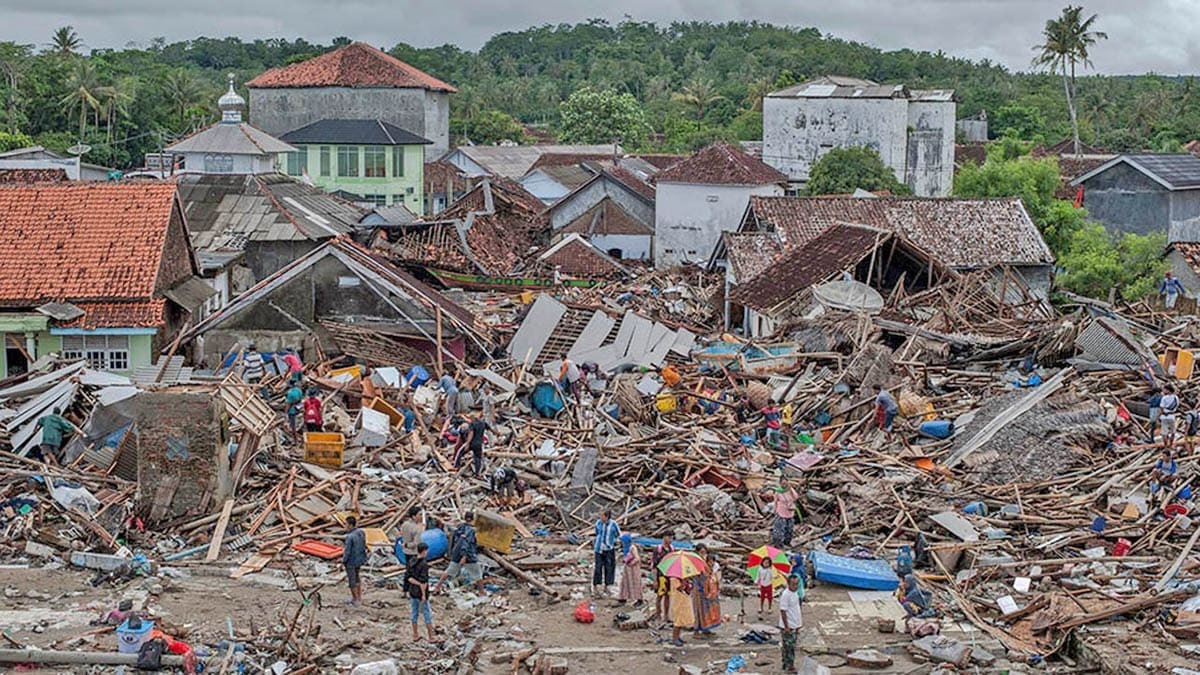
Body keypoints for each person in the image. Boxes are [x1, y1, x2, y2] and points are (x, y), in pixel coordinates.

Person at [435, 512, 483, 593]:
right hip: (468, 556)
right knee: (478, 574)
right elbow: (466, 543)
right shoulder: (470, 530)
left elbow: (455, 539)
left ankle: (437, 586)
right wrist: (464, 556)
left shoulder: (460, 527)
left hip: (456, 554)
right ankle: (482, 592)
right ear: (473, 519)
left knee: (449, 571)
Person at [404, 542, 435, 641]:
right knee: (427, 614)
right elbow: (424, 582)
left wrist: (410, 586)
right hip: (420, 592)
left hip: (412, 591)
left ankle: (415, 634)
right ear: (424, 551)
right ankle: (431, 637)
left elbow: (408, 578)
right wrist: (423, 595)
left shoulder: (411, 561)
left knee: (414, 613)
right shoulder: (424, 564)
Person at [691, 544, 722, 634]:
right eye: (701, 552)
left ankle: (706, 628)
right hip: (698, 588)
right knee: (698, 610)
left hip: (707, 588)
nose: (703, 554)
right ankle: (696, 631)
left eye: (704, 552)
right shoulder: (695, 562)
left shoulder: (707, 562)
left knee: (707, 609)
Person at [593, 509, 620, 598]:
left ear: (607, 516)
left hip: (609, 549)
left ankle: (607, 586)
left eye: (602, 516)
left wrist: (611, 542)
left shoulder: (613, 524)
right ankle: (597, 586)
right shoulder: (598, 523)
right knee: (598, 567)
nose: (601, 517)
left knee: (609, 567)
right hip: (599, 549)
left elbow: (618, 534)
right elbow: (597, 533)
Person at [778, 574, 803, 672]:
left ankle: (787, 665)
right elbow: (783, 611)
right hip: (788, 626)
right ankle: (789, 666)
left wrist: (798, 625)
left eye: (797, 584)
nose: (795, 586)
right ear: (788, 584)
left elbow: (795, 609)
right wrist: (786, 626)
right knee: (789, 648)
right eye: (793, 584)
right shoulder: (786, 595)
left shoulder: (795, 593)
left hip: (794, 624)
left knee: (790, 647)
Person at [342, 515, 367, 606]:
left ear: (350, 525)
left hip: (351, 560)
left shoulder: (350, 537)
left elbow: (347, 551)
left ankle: (355, 599)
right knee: (357, 577)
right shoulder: (361, 532)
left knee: (352, 580)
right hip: (359, 558)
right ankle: (359, 597)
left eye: (346, 524)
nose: (345, 526)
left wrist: (343, 561)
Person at [769, 480, 799, 549]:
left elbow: (796, 497)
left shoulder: (790, 491)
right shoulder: (778, 492)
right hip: (781, 512)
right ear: (780, 484)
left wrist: (791, 488)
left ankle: (787, 542)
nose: (784, 485)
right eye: (782, 483)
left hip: (790, 513)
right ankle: (778, 544)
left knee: (789, 529)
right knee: (779, 529)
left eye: (785, 483)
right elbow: (775, 502)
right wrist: (775, 511)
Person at [651, 532, 674, 621]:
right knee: (660, 596)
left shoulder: (672, 549)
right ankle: (658, 614)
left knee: (668, 596)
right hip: (661, 576)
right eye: (669, 537)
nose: (670, 540)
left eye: (672, 538)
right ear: (664, 537)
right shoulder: (658, 550)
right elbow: (655, 566)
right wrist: (655, 580)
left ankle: (666, 615)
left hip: (669, 575)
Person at [617, 534, 643, 606]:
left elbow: (637, 558)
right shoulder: (626, 547)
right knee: (625, 582)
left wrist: (631, 563)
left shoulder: (632, 548)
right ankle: (623, 598)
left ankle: (639, 599)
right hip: (628, 568)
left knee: (635, 582)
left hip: (633, 568)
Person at [669, 576, 694, 646]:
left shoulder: (683, 578)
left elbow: (688, 589)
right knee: (677, 621)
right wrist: (683, 582)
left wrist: (687, 582)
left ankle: (678, 637)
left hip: (683, 601)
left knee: (681, 620)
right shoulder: (674, 579)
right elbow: (680, 588)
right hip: (677, 601)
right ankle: (674, 638)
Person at [463, 411, 489, 477]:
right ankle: (477, 473)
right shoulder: (483, 423)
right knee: (478, 458)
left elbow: (471, 434)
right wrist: (498, 433)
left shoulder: (472, 424)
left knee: (460, 452)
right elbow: (491, 429)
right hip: (479, 444)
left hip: (472, 443)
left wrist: (467, 443)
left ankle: (456, 465)